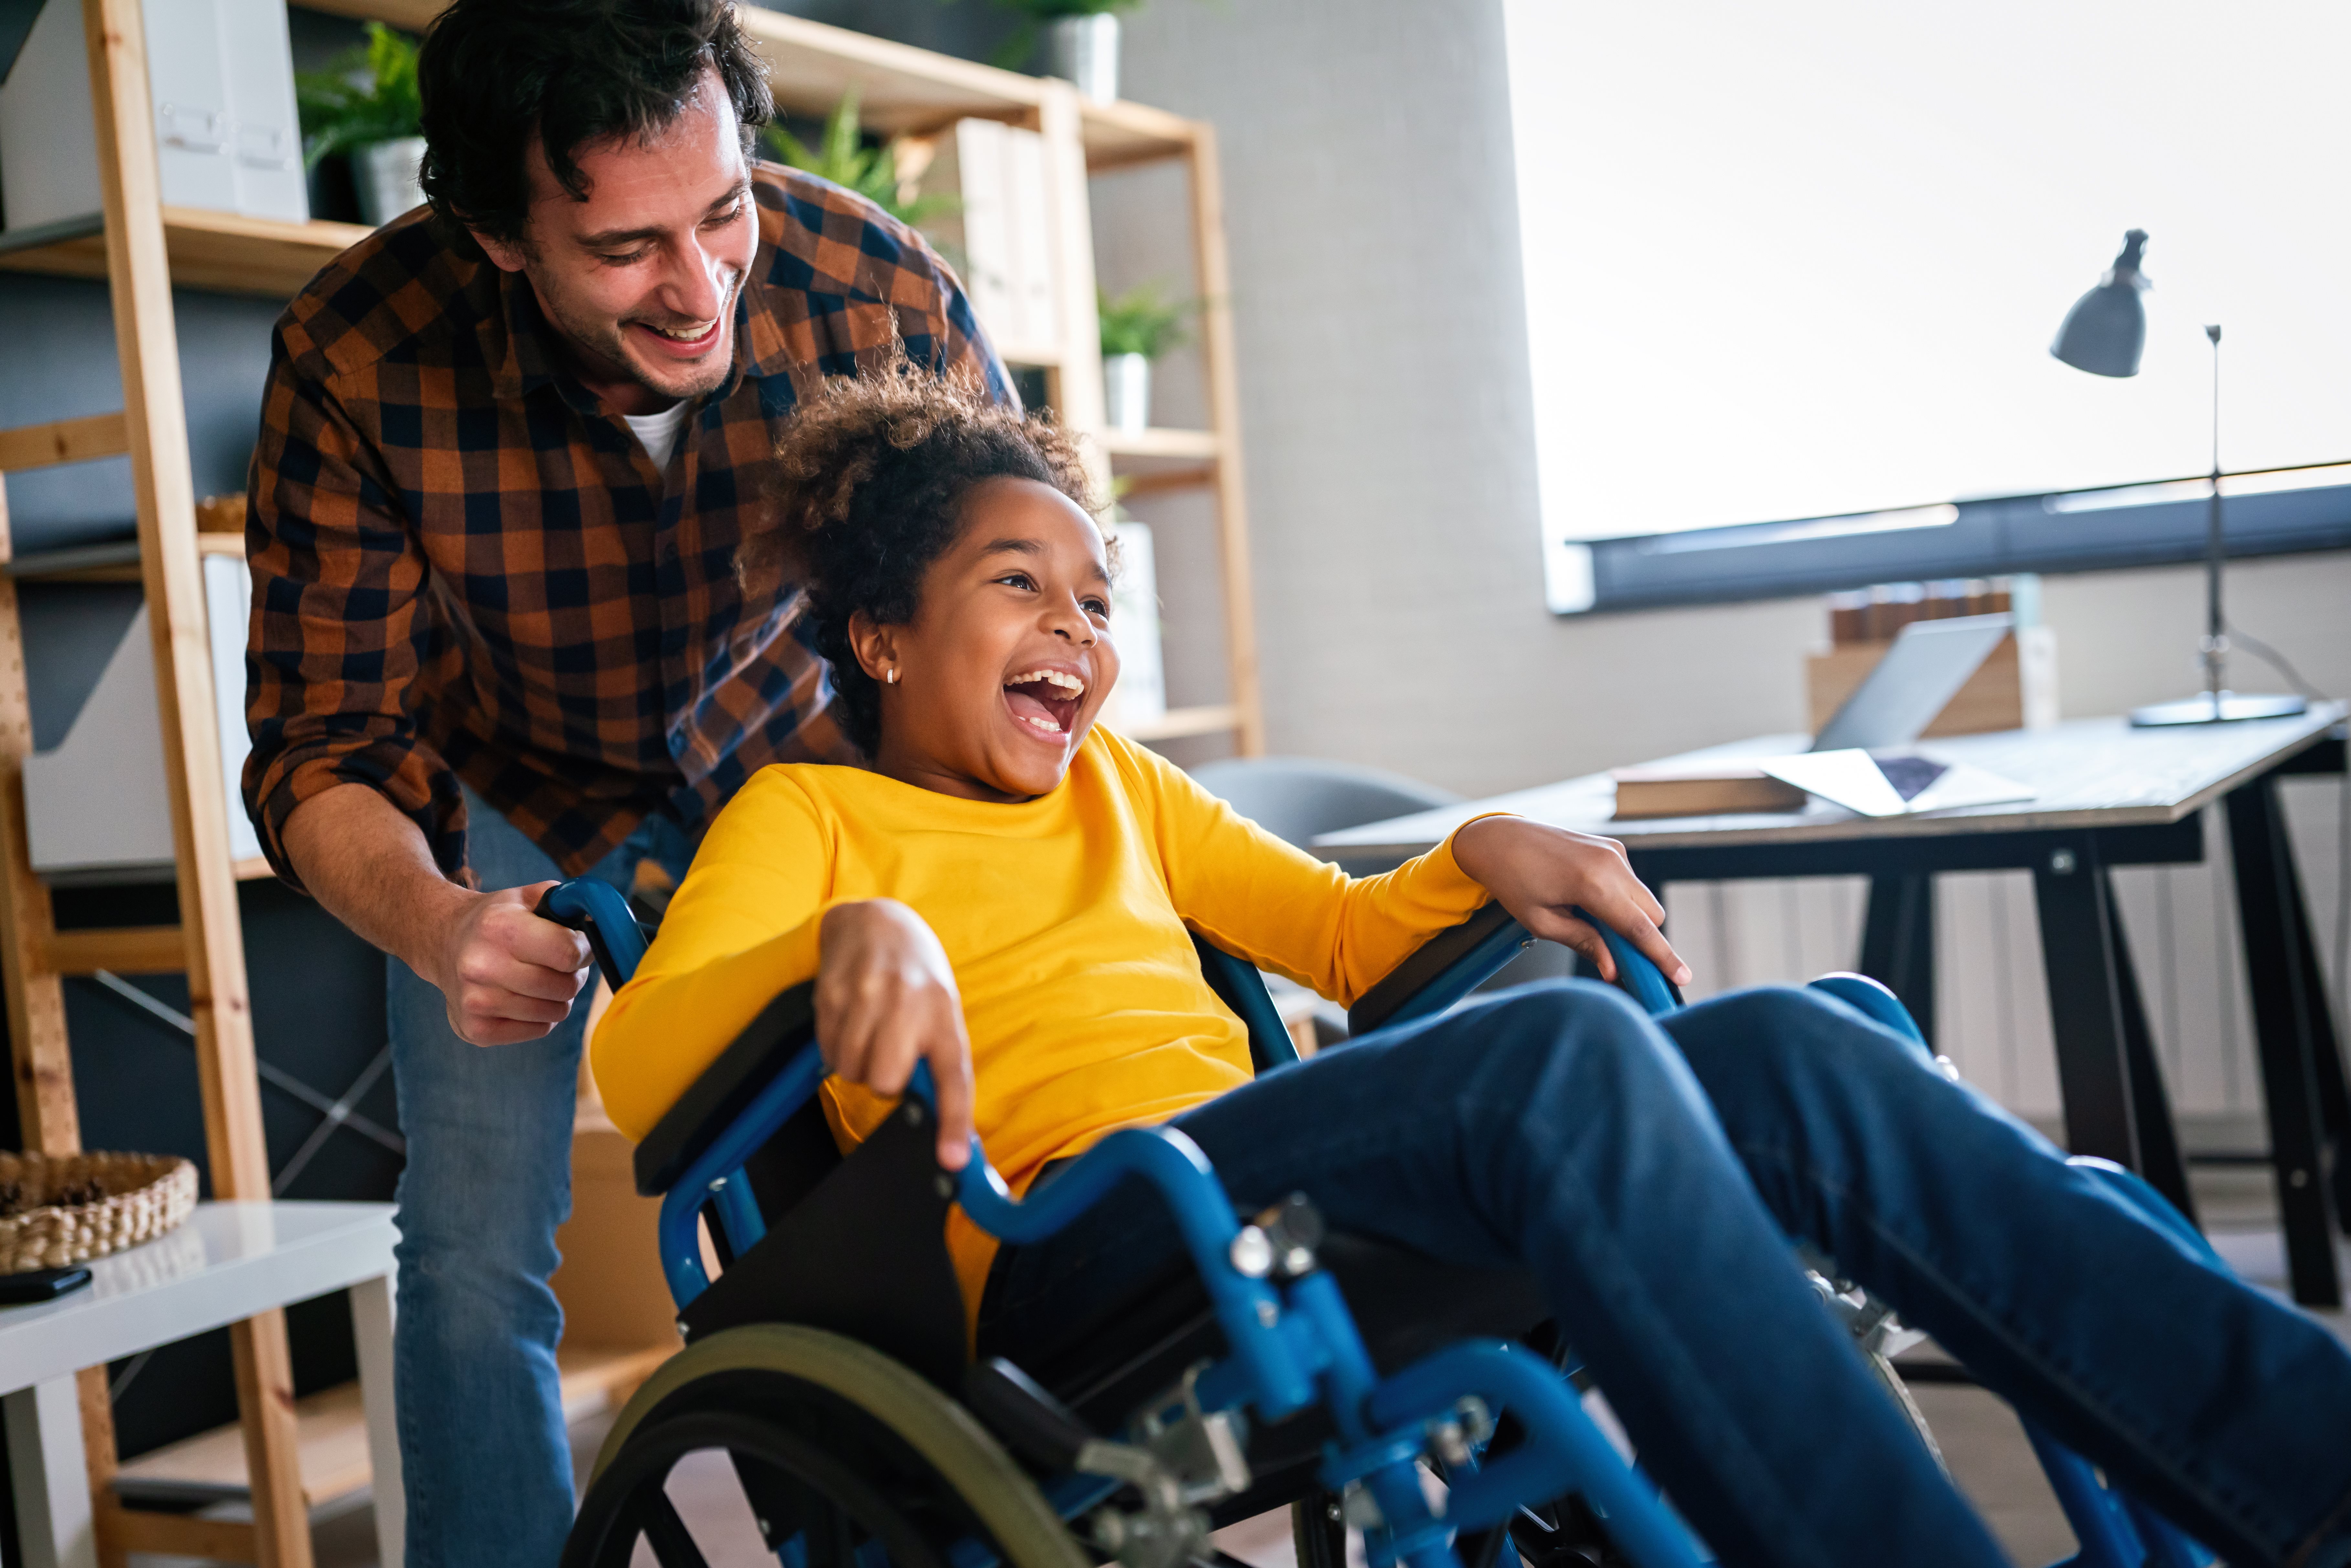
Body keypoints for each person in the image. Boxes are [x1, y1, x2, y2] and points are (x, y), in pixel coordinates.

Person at [591, 363, 2351, 1568]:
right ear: (884, 633)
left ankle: (2310, 1476)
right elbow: (649, 1069)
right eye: (1015, 586)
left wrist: (1475, 847)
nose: (1076, 630)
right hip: (1067, 1251)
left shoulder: (1122, 784)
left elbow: (1343, 940)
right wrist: (849, 936)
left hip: (1259, 1193)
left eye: (1096, 596)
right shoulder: (806, 819)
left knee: (1804, 1043)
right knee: (1563, 1059)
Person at [240, 1, 1009, 1558]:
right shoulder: (358, 353)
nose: (697, 282)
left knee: (904, 1172)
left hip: (810, 761)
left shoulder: (867, 288)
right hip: (510, 785)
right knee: (468, 1250)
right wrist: (445, 923)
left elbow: (1019, 600)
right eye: (626, 247)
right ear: (497, 234)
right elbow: (322, 740)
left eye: (721, 210)